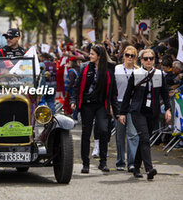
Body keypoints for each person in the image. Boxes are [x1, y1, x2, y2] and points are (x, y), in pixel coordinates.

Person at [119, 49, 171, 180]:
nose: (149, 61)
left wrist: (168, 109)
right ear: (141, 60)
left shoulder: (159, 74)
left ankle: (136, 167)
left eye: (151, 58)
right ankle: (149, 168)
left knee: (144, 140)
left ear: (154, 60)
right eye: (146, 58)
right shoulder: (136, 73)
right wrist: (123, 113)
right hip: (137, 112)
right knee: (145, 138)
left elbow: (165, 94)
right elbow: (127, 95)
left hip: (152, 112)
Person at [70, 45, 119, 173]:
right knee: (86, 133)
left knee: (103, 130)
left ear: (99, 56)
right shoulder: (85, 68)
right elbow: (77, 85)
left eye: (92, 54)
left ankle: (103, 162)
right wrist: (73, 101)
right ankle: (85, 163)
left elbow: (113, 91)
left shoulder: (109, 69)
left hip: (102, 104)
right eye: (90, 54)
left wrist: (116, 110)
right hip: (87, 104)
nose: (89, 56)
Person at [114, 46, 139, 172]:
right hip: (119, 104)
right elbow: (113, 88)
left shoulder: (138, 71)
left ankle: (132, 163)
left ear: (135, 58)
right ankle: (120, 161)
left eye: (132, 56)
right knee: (120, 135)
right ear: (123, 56)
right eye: (127, 55)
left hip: (132, 105)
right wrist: (112, 106)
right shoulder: (117, 69)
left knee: (132, 134)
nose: (129, 58)